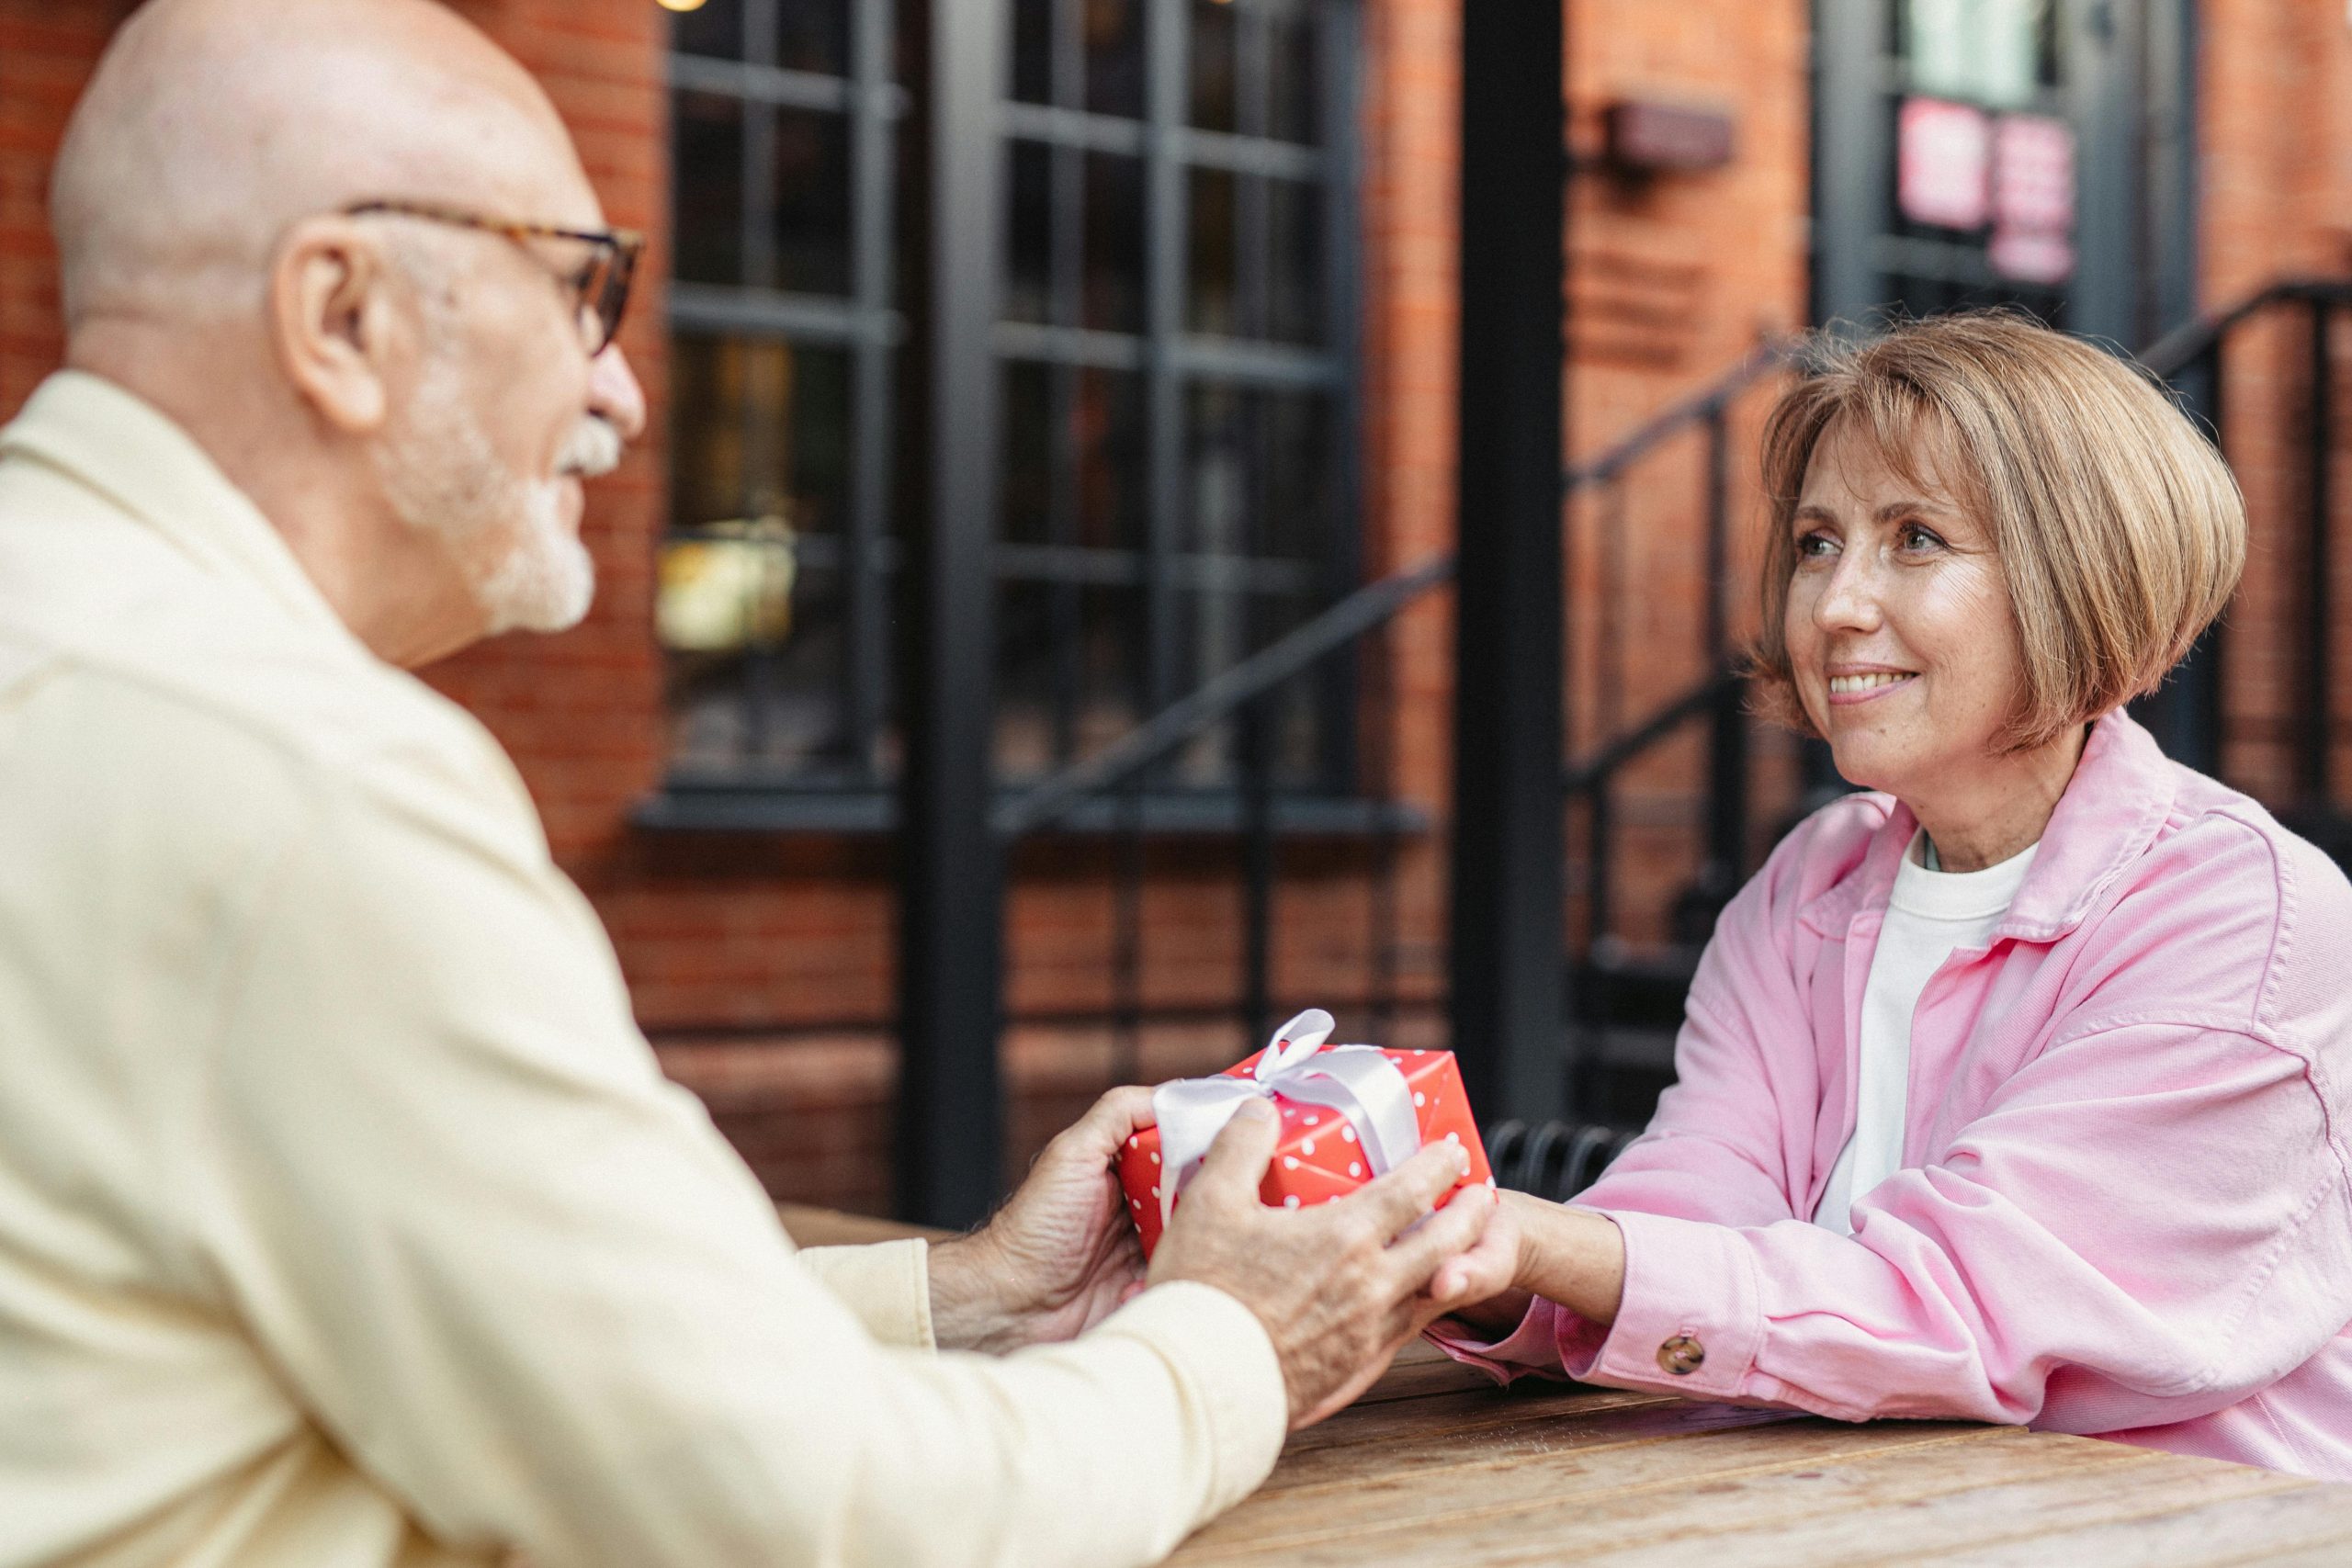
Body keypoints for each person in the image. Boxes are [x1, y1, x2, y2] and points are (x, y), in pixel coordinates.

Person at [0, 3, 1494, 1564]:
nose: (623, 395)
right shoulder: (299, 787)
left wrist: (973, 1292)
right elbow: (806, 1518)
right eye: (582, 285)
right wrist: (1231, 1346)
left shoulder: (88, 662)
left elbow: (550, 1329)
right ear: (344, 314)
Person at [1428, 310, 2352, 1480]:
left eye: (1914, 538)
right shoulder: (1806, 886)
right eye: (1818, 543)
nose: (1834, 607)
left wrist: (1538, 1240)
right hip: (1847, 1502)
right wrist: (1472, 1266)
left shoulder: (2239, 918)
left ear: (2082, 576)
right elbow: (1694, 1203)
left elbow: (1963, 1310)